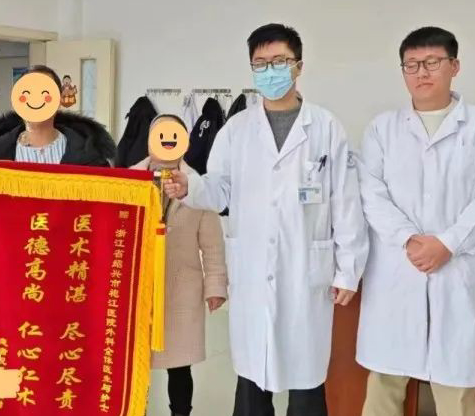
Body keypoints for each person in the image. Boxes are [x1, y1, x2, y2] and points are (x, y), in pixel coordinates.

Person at [164, 23, 369, 416]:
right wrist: (190, 187)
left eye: (279, 61)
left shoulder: (325, 127)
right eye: (260, 64)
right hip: (254, 271)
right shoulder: (237, 129)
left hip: (305, 271)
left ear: (299, 66)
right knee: (252, 380)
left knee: (306, 381)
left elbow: (345, 201)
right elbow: (219, 190)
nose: (269, 71)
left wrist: (348, 270)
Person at [356, 26, 475, 416]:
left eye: (432, 62)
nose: (421, 72)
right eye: (412, 64)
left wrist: (448, 243)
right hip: (398, 271)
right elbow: (371, 194)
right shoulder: (382, 129)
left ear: (454, 66)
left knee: (457, 389)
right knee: (384, 385)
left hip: (458, 271)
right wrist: (409, 239)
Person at [133, 114, 227, 416]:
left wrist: (215, 286)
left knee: (179, 364)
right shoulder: (128, 180)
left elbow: (212, 244)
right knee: (136, 363)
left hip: (181, 287)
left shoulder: (198, 186)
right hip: (138, 287)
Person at [0, 65, 115, 166]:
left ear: (59, 98)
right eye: (28, 92)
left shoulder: (90, 156)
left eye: (44, 92)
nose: (35, 100)